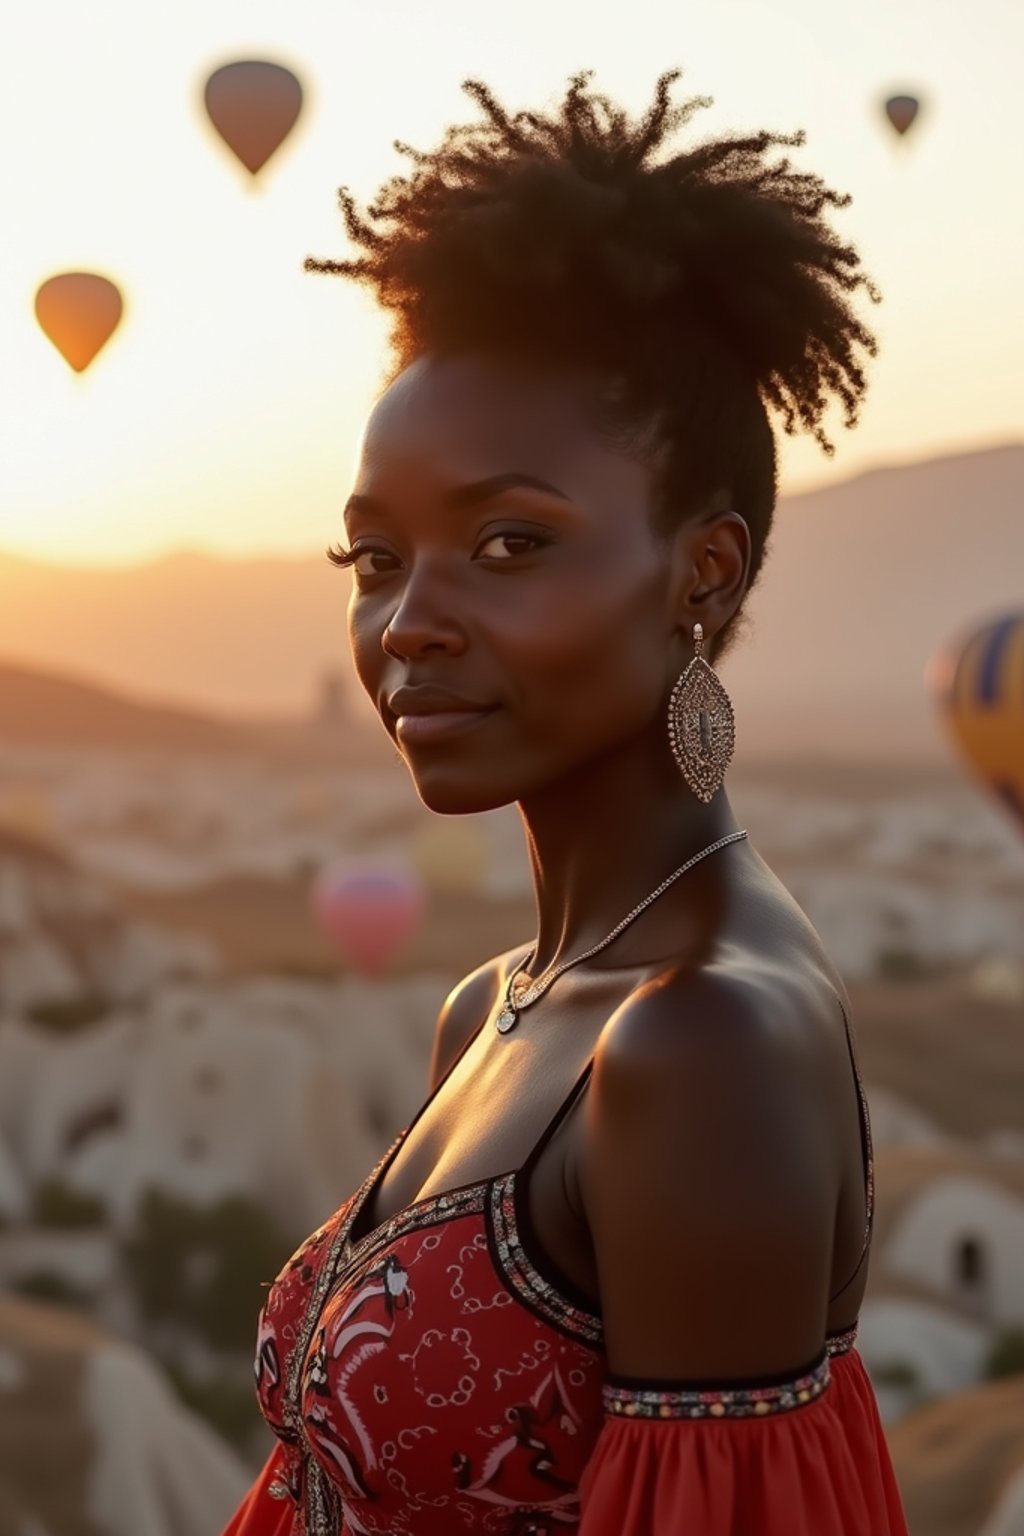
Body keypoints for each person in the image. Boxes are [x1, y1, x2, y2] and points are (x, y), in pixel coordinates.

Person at [224, 67, 909, 1535]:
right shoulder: (500, 1005)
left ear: (702, 576)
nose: (407, 621)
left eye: (510, 542)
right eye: (375, 558)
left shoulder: (699, 1041)